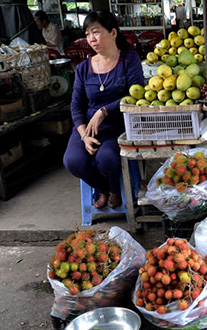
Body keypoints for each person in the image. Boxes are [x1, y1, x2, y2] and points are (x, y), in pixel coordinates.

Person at [63, 9, 144, 209]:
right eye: (87, 33)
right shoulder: (83, 68)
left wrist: (104, 111)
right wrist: (83, 135)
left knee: (106, 157)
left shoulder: (128, 59)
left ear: (113, 33)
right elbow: (76, 104)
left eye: (96, 32)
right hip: (88, 127)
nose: (91, 38)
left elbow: (136, 94)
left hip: (117, 126)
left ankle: (116, 190)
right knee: (72, 161)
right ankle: (103, 189)